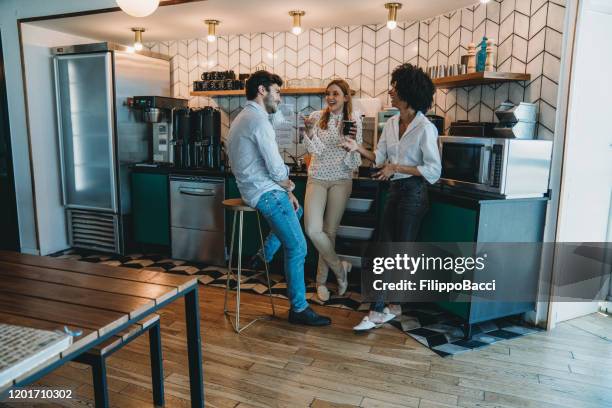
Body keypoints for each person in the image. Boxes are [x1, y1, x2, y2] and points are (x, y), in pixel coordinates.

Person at [341, 63, 442, 331]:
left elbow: (434, 170)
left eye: (395, 88)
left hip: (414, 194)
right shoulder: (392, 123)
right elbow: (380, 157)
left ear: (408, 93)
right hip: (396, 191)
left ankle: (383, 308)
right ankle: (389, 305)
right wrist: (358, 148)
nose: (390, 91)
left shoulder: (425, 129)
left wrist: (396, 168)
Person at [226, 70, 331, 326]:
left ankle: (263, 255)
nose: (280, 99)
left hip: (253, 190)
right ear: (262, 90)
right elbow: (275, 168)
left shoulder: (242, 117)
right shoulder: (259, 120)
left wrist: (287, 191)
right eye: (278, 93)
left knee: (296, 211)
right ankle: (299, 309)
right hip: (266, 192)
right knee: (298, 247)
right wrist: (288, 185)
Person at [302, 79, 362, 302]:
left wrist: (352, 144)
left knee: (329, 232)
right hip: (317, 177)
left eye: (336, 93)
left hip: (341, 179)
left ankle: (320, 282)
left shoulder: (354, 120)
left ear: (346, 97)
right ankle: (340, 270)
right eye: (328, 93)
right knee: (312, 229)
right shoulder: (318, 117)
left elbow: (355, 162)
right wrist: (309, 133)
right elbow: (315, 150)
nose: (330, 97)